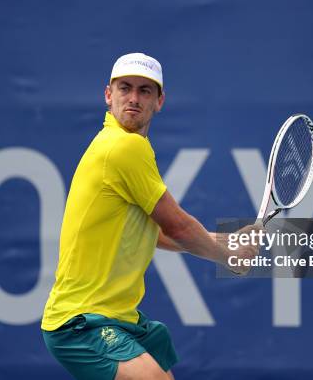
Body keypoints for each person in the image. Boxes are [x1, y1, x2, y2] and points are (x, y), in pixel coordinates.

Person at [42, 53, 260, 380]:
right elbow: (178, 225)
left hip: (118, 318)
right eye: (125, 88)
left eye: (145, 91)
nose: (133, 98)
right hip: (81, 322)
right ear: (108, 95)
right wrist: (228, 255)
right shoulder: (123, 147)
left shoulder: (128, 146)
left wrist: (225, 241)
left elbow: (155, 233)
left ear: (160, 101)